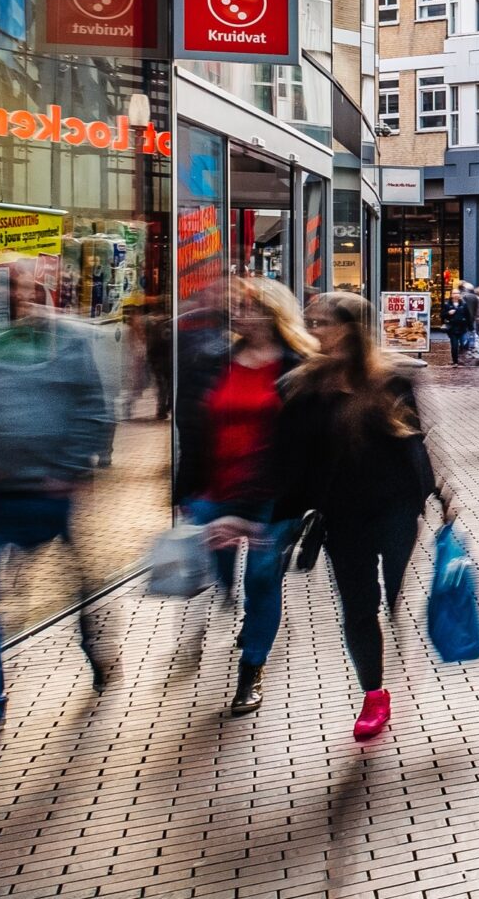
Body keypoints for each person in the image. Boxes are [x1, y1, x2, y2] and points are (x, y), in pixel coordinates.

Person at [0, 263, 119, 752]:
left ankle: (95, 643)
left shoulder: (69, 341)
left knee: (78, 586)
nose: (7, 294)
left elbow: (95, 408)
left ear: (37, 289)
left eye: (16, 284)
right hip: (4, 495)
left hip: (55, 492)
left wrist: (72, 471)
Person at [270, 292, 455, 740]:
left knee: (394, 592)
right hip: (341, 516)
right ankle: (374, 693)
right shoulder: (302, 385)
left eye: (322, 323)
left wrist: (441, 491)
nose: (312, 331)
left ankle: (401, 635)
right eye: (310, 322)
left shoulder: (392, 378)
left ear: (350, 329)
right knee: (358, 606)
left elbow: (420, 439)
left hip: (396, 507)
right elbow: (289, 460)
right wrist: (279, 518)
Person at [169, 276, 314, 715]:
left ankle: (251, 668)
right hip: (216, 487)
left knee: (262, 580)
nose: (238, 312)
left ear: (272, 314)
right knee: (208, 569)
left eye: (249, 306)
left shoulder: (299, 368)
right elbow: (191, 428)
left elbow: (310, 442)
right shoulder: (212, 361)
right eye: (238, 305)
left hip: (273, 495)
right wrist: (184, 490)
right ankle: (223, 617)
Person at [444, 283, 475, 366]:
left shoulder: (464, 304)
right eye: (454, 293)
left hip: (462, 328)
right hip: (452, 328)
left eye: (457, 293)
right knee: (454, 346)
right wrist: (448, 313)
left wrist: (471, 328)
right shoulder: (447, 305)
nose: (456, 295)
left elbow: (468, 316)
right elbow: (442, 315)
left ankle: (462, 359)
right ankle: (455, 361)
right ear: (451, 295)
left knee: (463, 345)